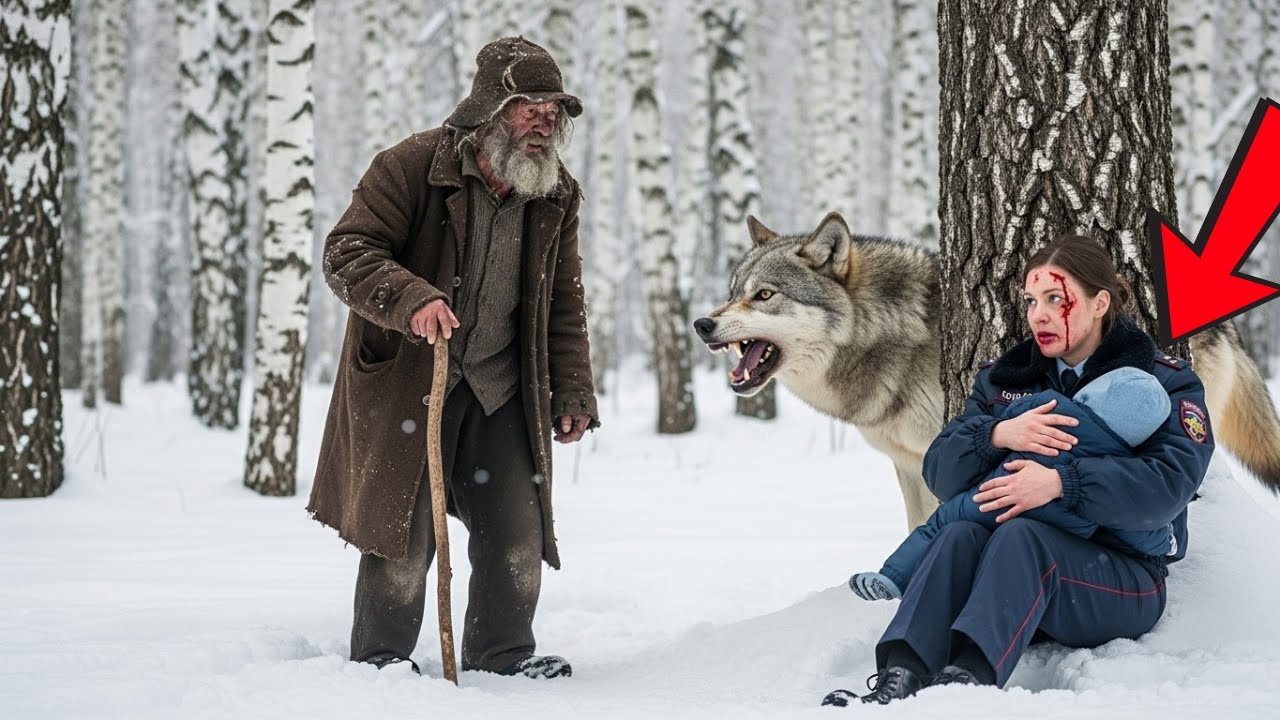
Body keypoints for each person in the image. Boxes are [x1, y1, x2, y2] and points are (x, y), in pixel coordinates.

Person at [306, 37, 599, 680]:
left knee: (516, 530)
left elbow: (563, 304)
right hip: (413, 383)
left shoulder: (555, 194)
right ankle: (379, 661)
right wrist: (411, 298)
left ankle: (502, 657)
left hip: (499, 387)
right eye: (529, 107)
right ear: (491, 108)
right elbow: (346, 252)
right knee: (402, 534)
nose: (544, 122)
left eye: (554, 110)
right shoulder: (411, 167)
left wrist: (573, 392)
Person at [822, 235, 1214, 706]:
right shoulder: (1007, 379)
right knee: (958, 534)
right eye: (1031, 301)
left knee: (1020, 537)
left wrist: (1061, 485)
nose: (1038, 315)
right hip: (1007, 582)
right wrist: (996, 435)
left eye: (1055, 299)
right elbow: (942, 475)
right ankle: (899, 678)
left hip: (1119, 579)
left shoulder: (1162, 382)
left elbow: (1165, 491)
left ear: (1100, 302)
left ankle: (966, 686)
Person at [850, 366, 1175, 602]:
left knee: (941, 526)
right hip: (1057, 528)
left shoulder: (1053, 407)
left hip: (995, 496)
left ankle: (894, 577)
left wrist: (1001, 429)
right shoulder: (1118, 460)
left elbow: (1021, 410)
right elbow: (1132, 524)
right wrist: (1164, 541)